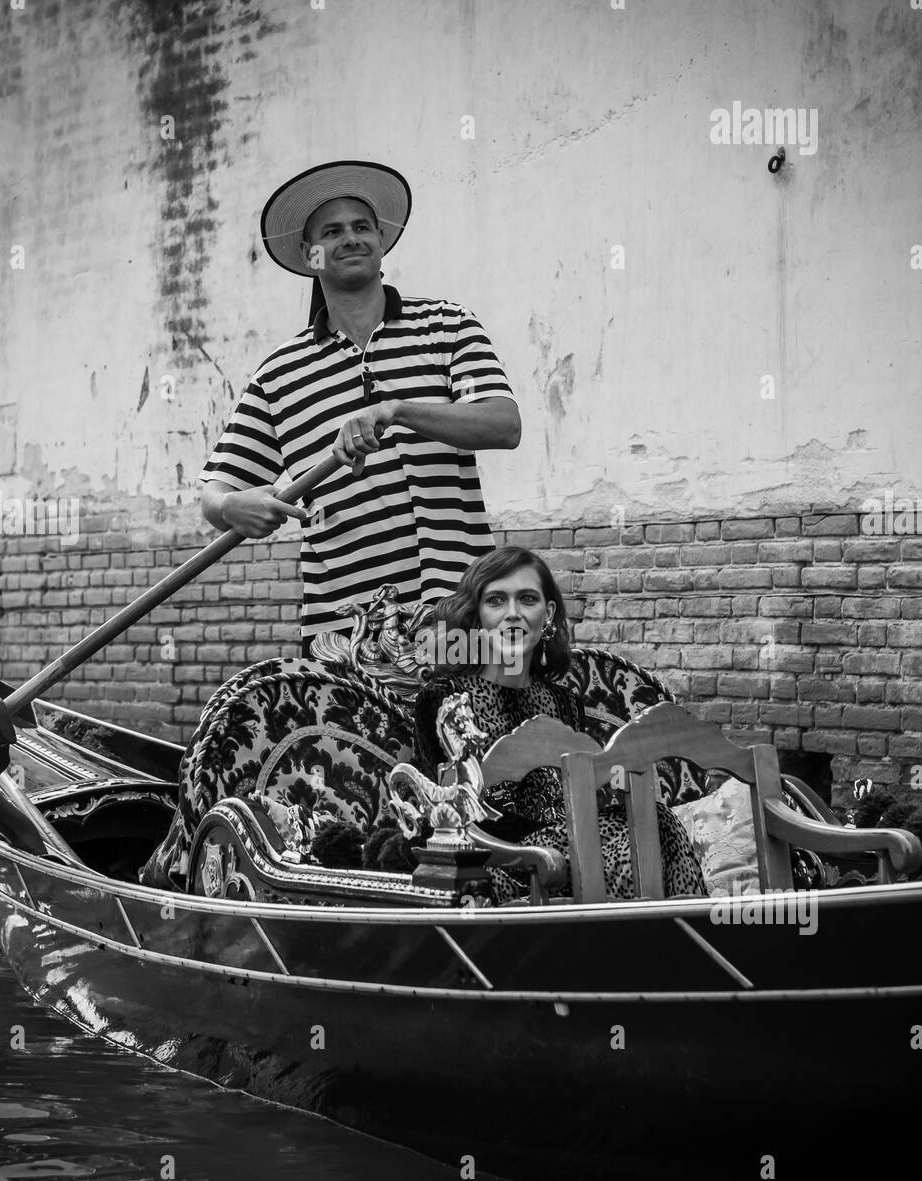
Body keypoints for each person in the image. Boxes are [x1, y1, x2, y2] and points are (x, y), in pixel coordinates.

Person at [200, 160, 522, 653]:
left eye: (362, 227)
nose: (351, 238)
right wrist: (230, 506)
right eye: (333, 231)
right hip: (344, 627)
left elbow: (503, 424)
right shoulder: (278, 374)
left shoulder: (446, 325)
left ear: (381, 243)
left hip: (459, 605)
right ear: (312, 257)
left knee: (466, 730)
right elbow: (215, 492)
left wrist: (396, 410)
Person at [412, 547, 707, 903]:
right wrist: (563, 836)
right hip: (494, 859)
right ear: (476, 616)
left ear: (547, 613)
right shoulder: (445, 700)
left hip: (579, 852)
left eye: (527, 599)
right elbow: (450, 812)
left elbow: (583, 792)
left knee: (653, 823)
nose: (513, 614)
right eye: (495, 601)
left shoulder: (564, 702)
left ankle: (671, 938)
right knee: (641, 829)